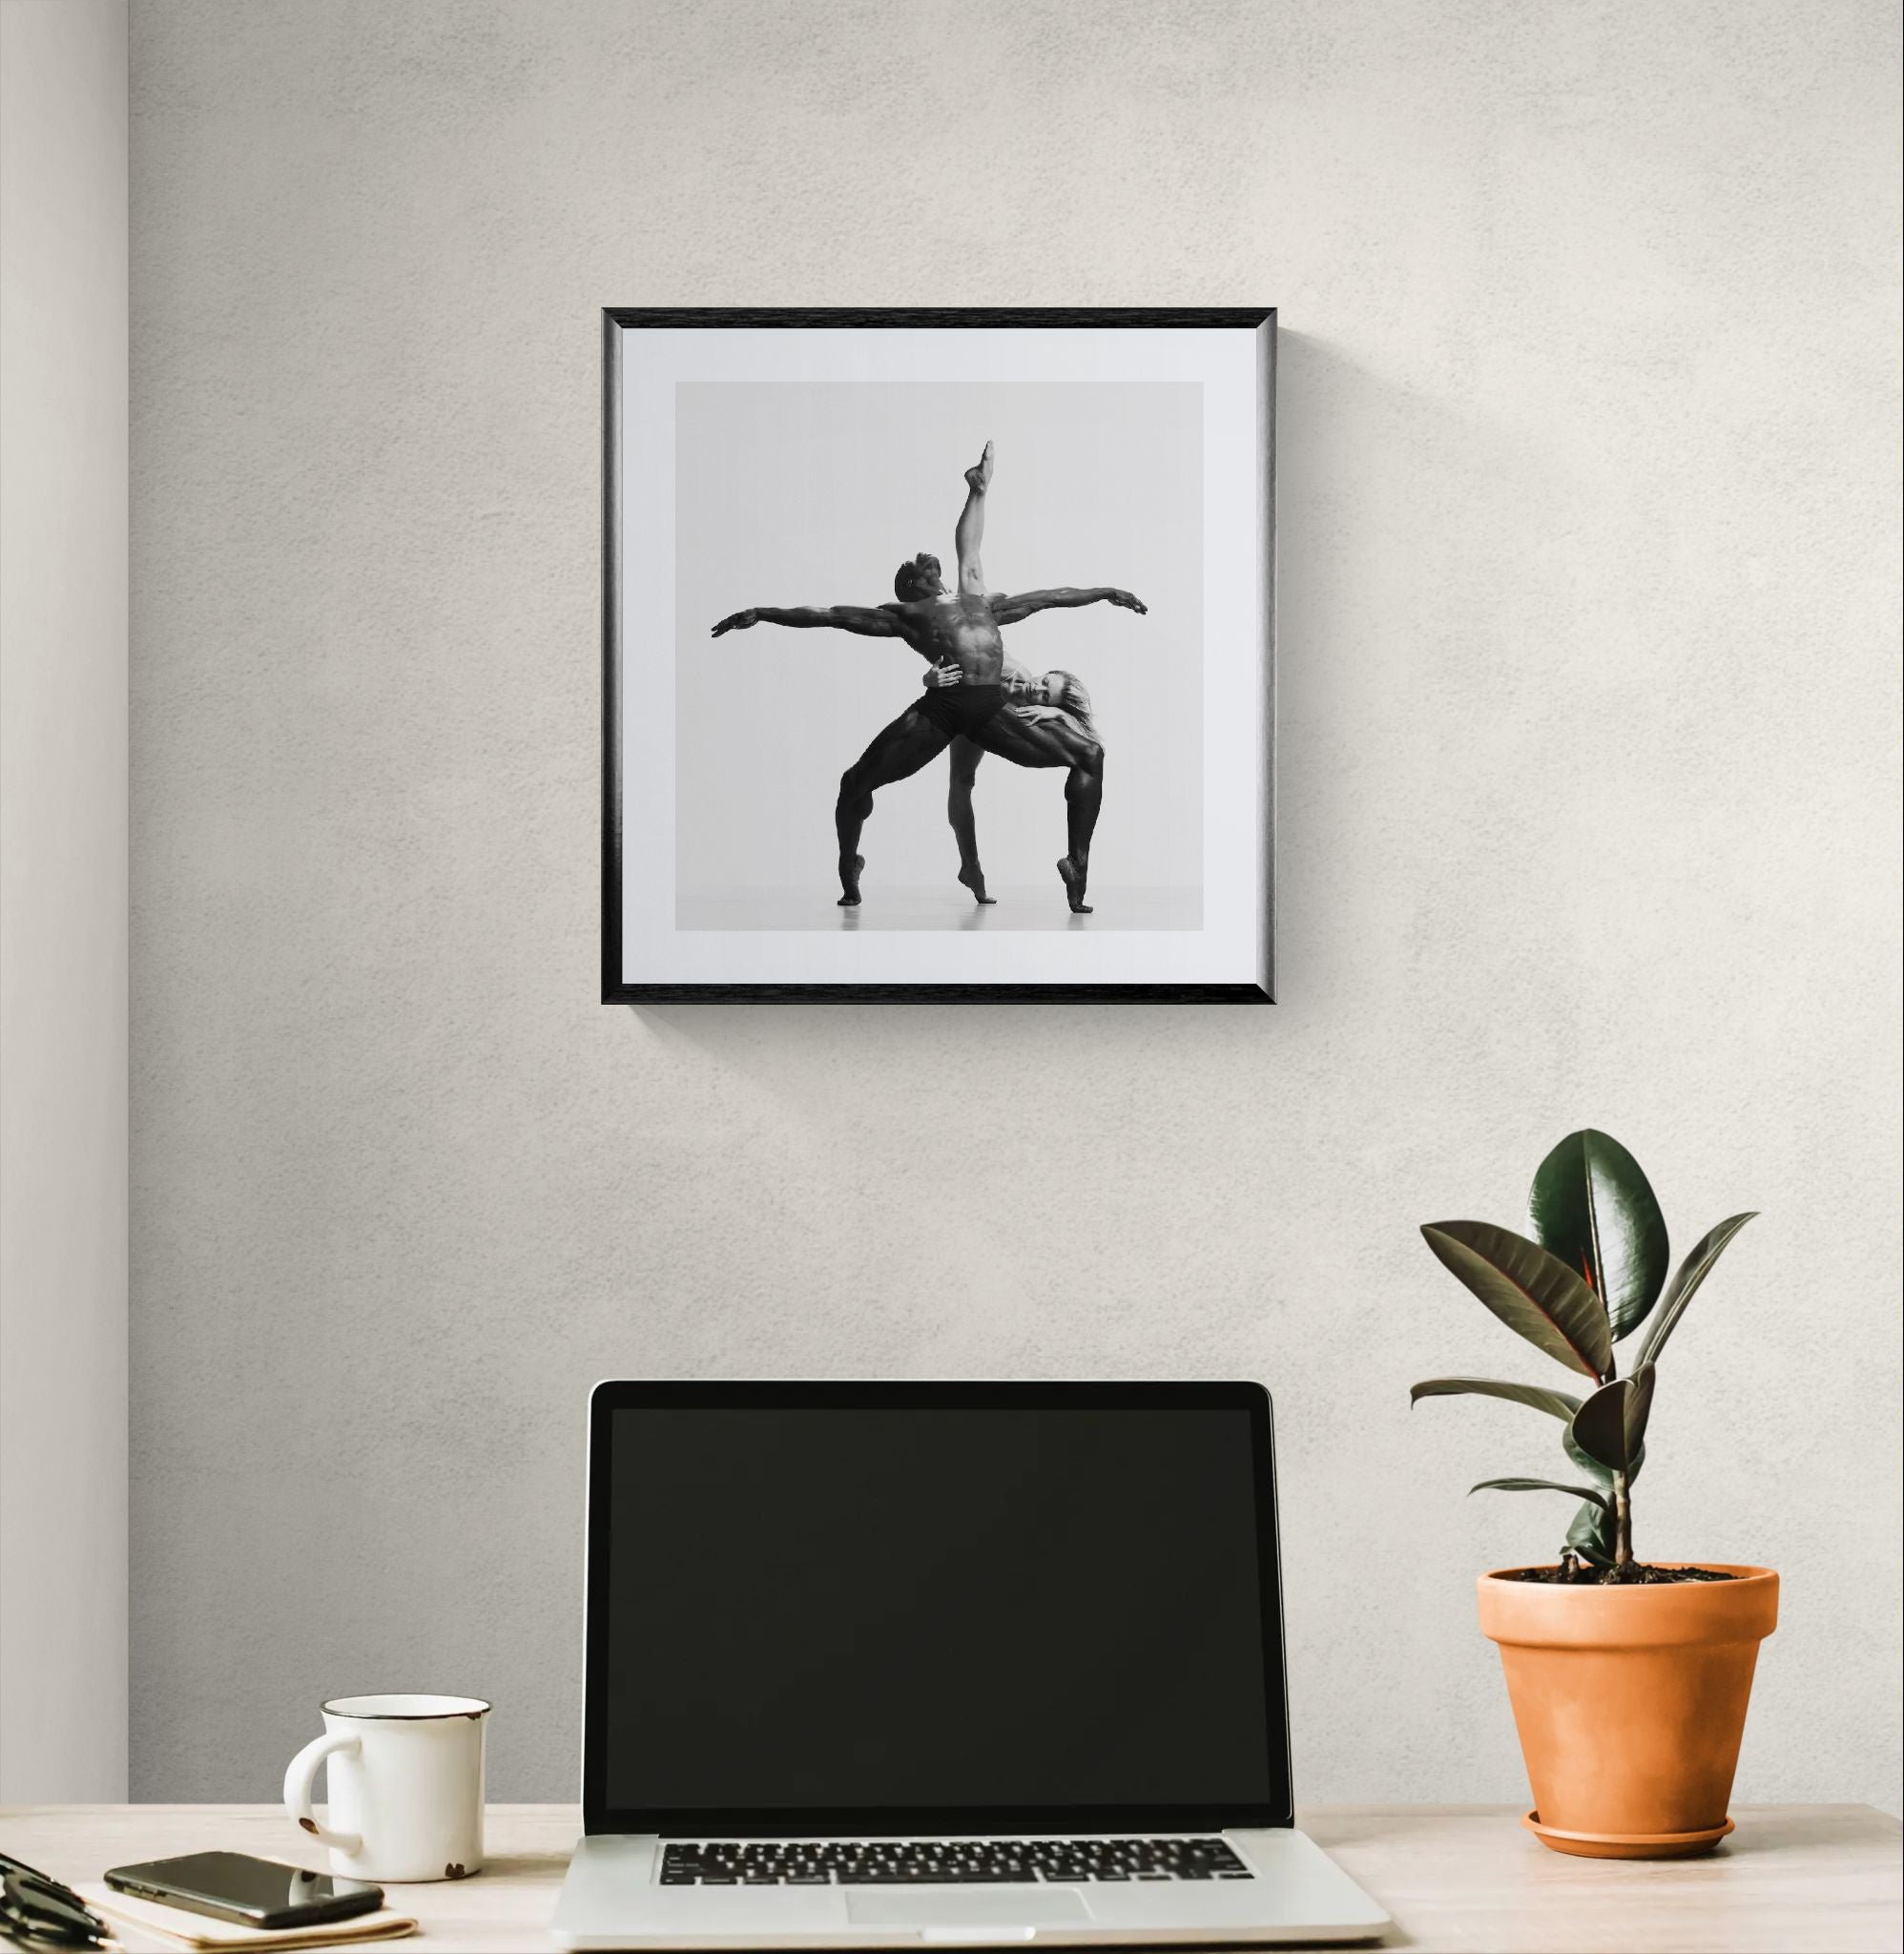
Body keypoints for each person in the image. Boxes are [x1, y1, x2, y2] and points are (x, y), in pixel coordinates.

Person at [711, 442, 1145, 911]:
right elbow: (831, 614)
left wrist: (1105, 591)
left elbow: (1049, 595)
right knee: (855, 782)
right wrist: (764, 613)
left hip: (989, 708)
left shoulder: (981, 600)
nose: (928, 560)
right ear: (914, 585)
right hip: (939, 712)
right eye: (921, 565)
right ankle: (848, 866)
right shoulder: (906, 615)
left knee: (1089, 755)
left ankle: (1077, 867)